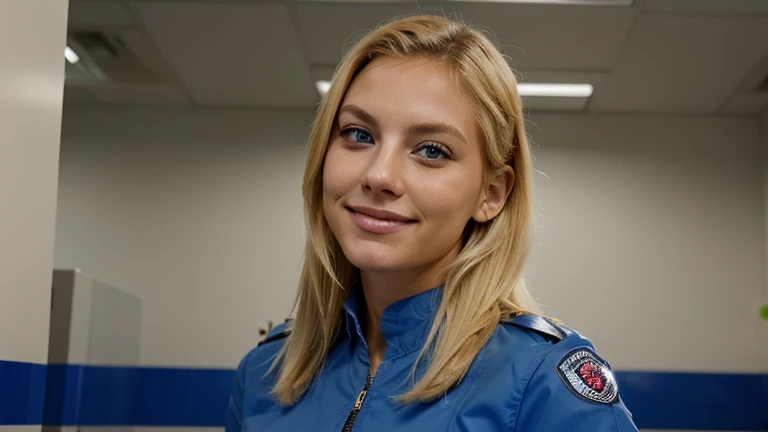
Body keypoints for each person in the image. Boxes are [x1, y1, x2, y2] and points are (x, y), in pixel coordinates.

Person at [226, 14, 638, 432]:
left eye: (431, 150)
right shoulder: (264, 373)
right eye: (359, 134)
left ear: (491, 194)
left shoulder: (543, 383)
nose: (379, 176)